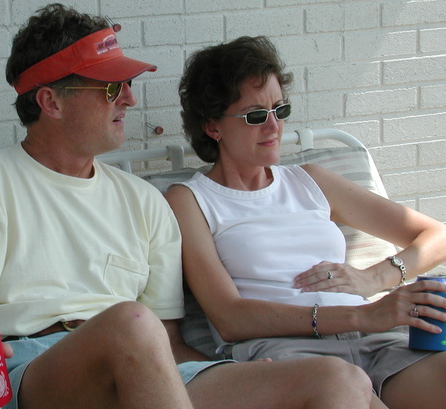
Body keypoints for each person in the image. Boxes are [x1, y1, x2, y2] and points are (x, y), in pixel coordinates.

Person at [0, 5, 380, 409]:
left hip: (146, 369)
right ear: (50, 101)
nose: (130, 99)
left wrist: (238, 376)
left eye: (127, 85)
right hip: (37, 368)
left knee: (337, 380)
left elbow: (168, 344)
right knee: (130, 322)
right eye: (111, 88)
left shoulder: (143, 201)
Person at [164, 35, 446, 409]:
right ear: (212, 126)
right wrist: (362, 313)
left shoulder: (310, 180)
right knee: (346, 389)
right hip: (287, 355)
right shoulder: (190, 200)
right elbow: (231, 318)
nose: (273, 127)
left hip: (372, 342)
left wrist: (376, 278)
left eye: (279, 110)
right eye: (255, 116)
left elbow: (436, 236)